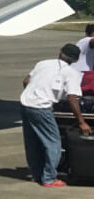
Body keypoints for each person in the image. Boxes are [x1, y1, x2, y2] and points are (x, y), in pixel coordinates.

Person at [20, 42, 92, 188]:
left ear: (60, 52)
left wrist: (35, 92)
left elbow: (26, 81)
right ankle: (49, 178)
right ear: (75, 60)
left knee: (32, 142)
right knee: (53, 143)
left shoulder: (43, 63)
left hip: (25, 104)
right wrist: (81, 121)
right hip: (41, 108)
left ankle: (36, 174)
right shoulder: (71, 73)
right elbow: (72, 98)